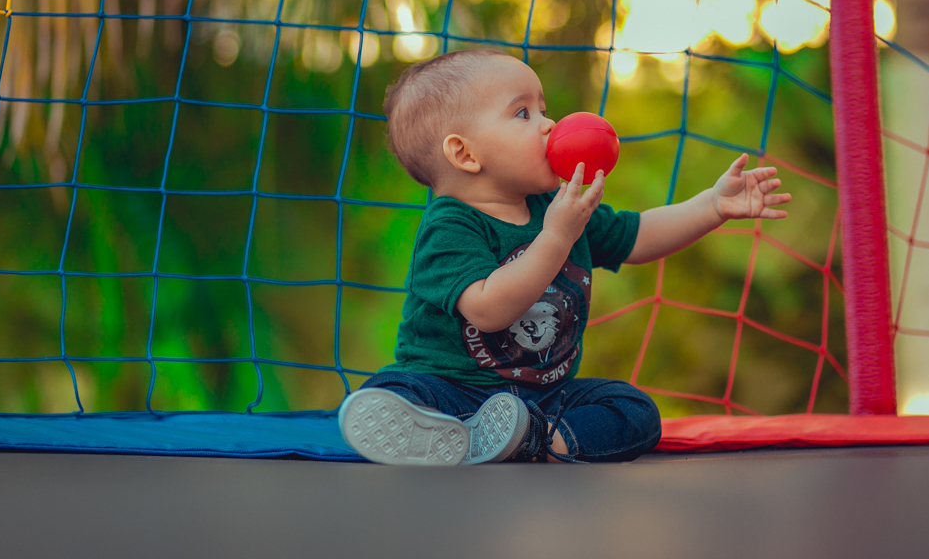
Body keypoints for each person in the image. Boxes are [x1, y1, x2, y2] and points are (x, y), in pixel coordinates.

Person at [338, 49, 791, 465]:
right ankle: (451, 436)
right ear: (465, 153)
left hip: (543, 400)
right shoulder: (451, 227)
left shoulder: (559, 208)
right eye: (522, 113)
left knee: (634, 411)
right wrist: (556, 237)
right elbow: (488, 309)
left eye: (544, 109)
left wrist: (712, 206)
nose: (549, 124)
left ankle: (537, 441)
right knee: (391, 391)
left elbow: (639, 235)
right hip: (451, 390)